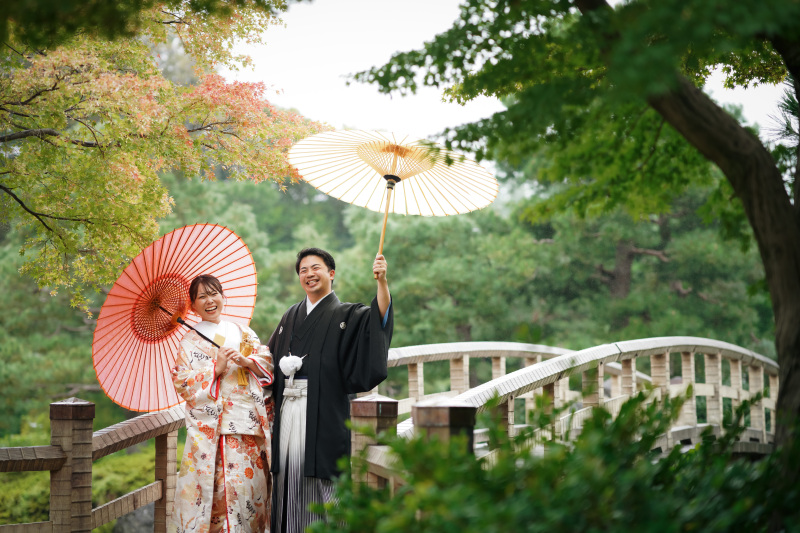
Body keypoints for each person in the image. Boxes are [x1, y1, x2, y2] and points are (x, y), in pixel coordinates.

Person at [268, 248, 393, 533]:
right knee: (288, 473)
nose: (309, 274)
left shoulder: (348, 314)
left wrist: (382, 282)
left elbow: (379, 320)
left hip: (324, 411)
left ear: (331, 274)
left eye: (316, 268)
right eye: (303, 270)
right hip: (289, 408)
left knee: (327, 476)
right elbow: (267, 358)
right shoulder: (291, 315)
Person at [171, 274, 275, 533]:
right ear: (193, 306)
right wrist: (214, 369)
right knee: (217, 499)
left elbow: (266, 361)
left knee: (251, 495)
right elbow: (182, 383)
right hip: (214, 434)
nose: (209, 301)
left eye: (214, 293)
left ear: (223, 296)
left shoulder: (243, 332)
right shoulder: (189, 342)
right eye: (201, 297)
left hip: (249, 429)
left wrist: (248, 362)